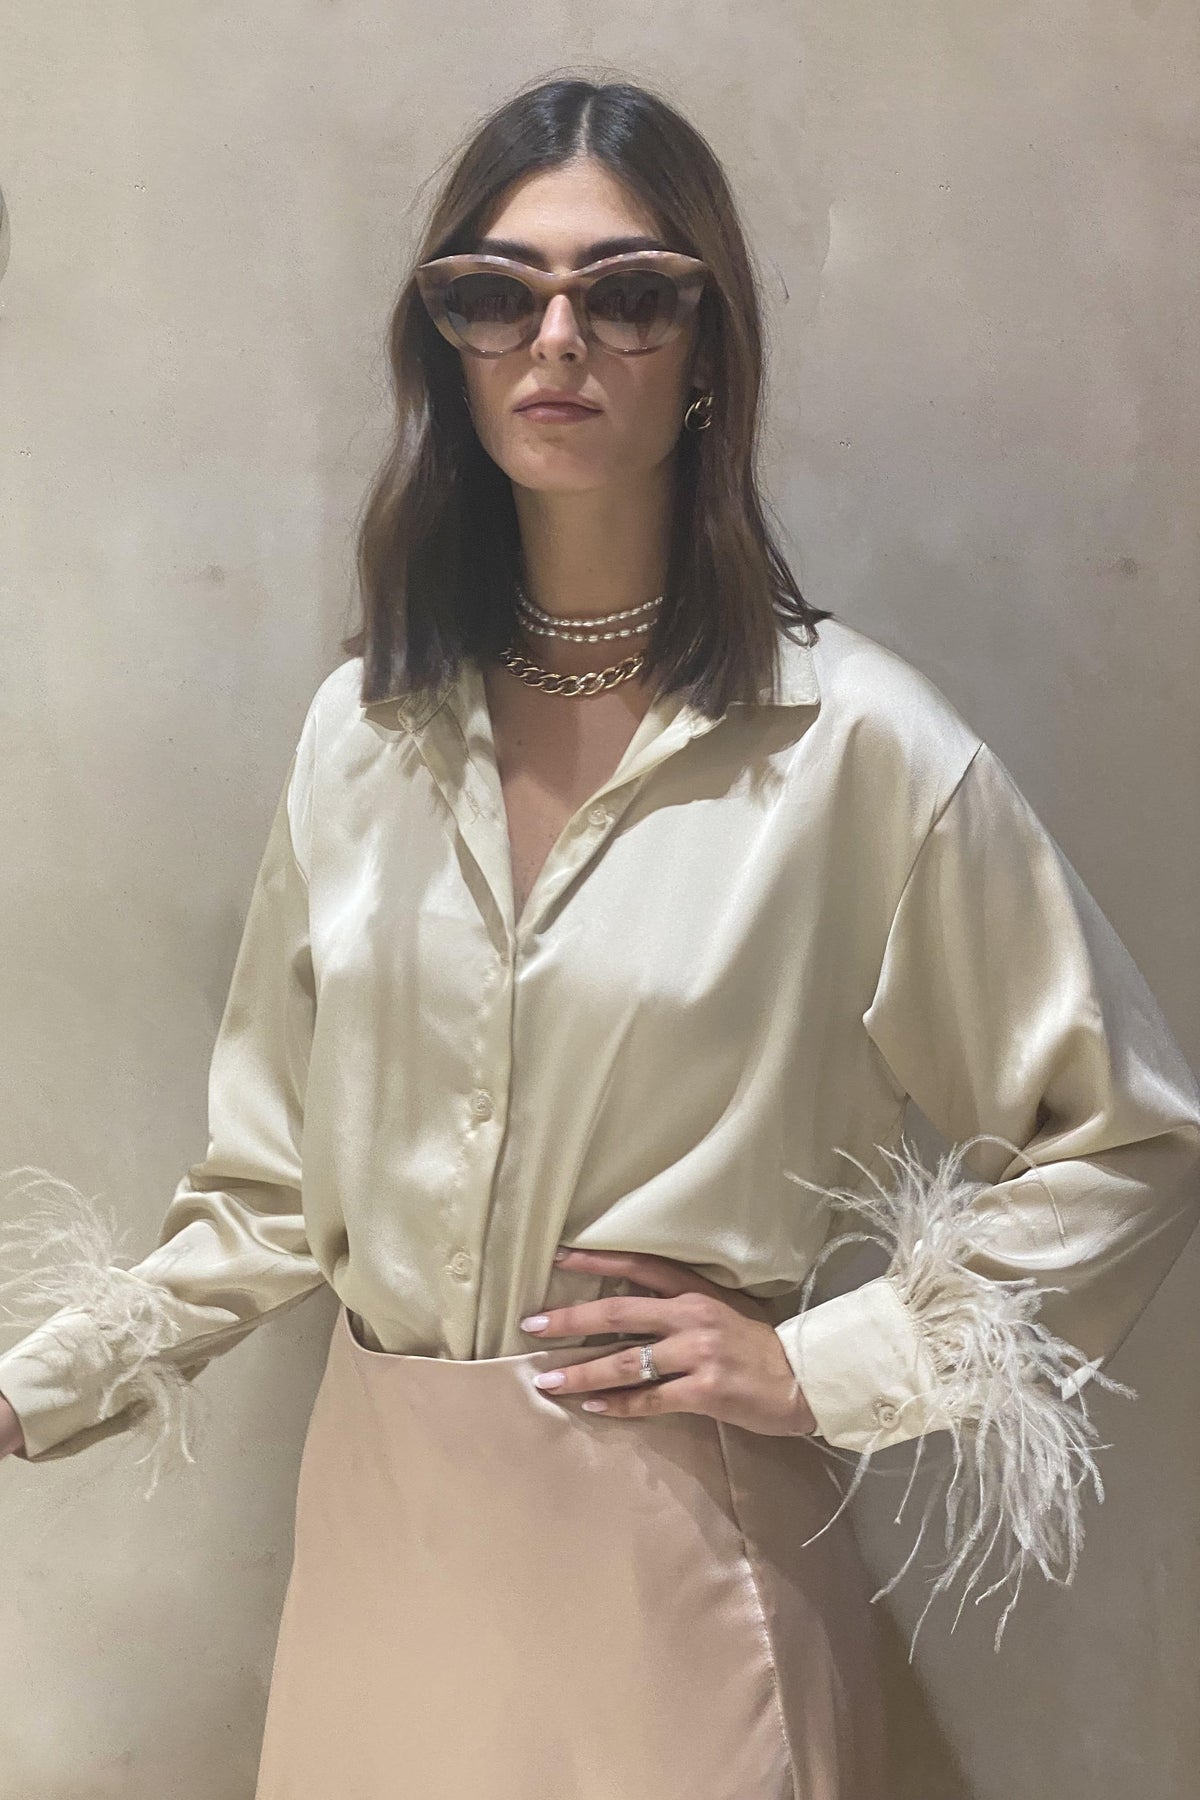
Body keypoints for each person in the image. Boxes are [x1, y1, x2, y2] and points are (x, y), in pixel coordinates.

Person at [2, 74, 1199, 1800]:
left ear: (705, 347)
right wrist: (36, 1388)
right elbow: (270, 1193)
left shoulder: (853, 749)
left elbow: (1128, 1137)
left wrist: (818, 1365)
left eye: (627, 291)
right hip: (382, 1562)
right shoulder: (363, 735)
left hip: (675, 1571)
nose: (555, 338)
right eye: (495, 294)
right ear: (446, 348)